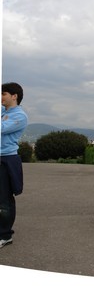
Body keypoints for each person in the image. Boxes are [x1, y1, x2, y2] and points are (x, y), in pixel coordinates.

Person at [1, 82, 28, 248]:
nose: (1, 97)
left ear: (14, 96)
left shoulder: (20, 116)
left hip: (6, 159)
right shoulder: (3, 112)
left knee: (4, 199)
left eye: (3, 94)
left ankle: (5, 235)